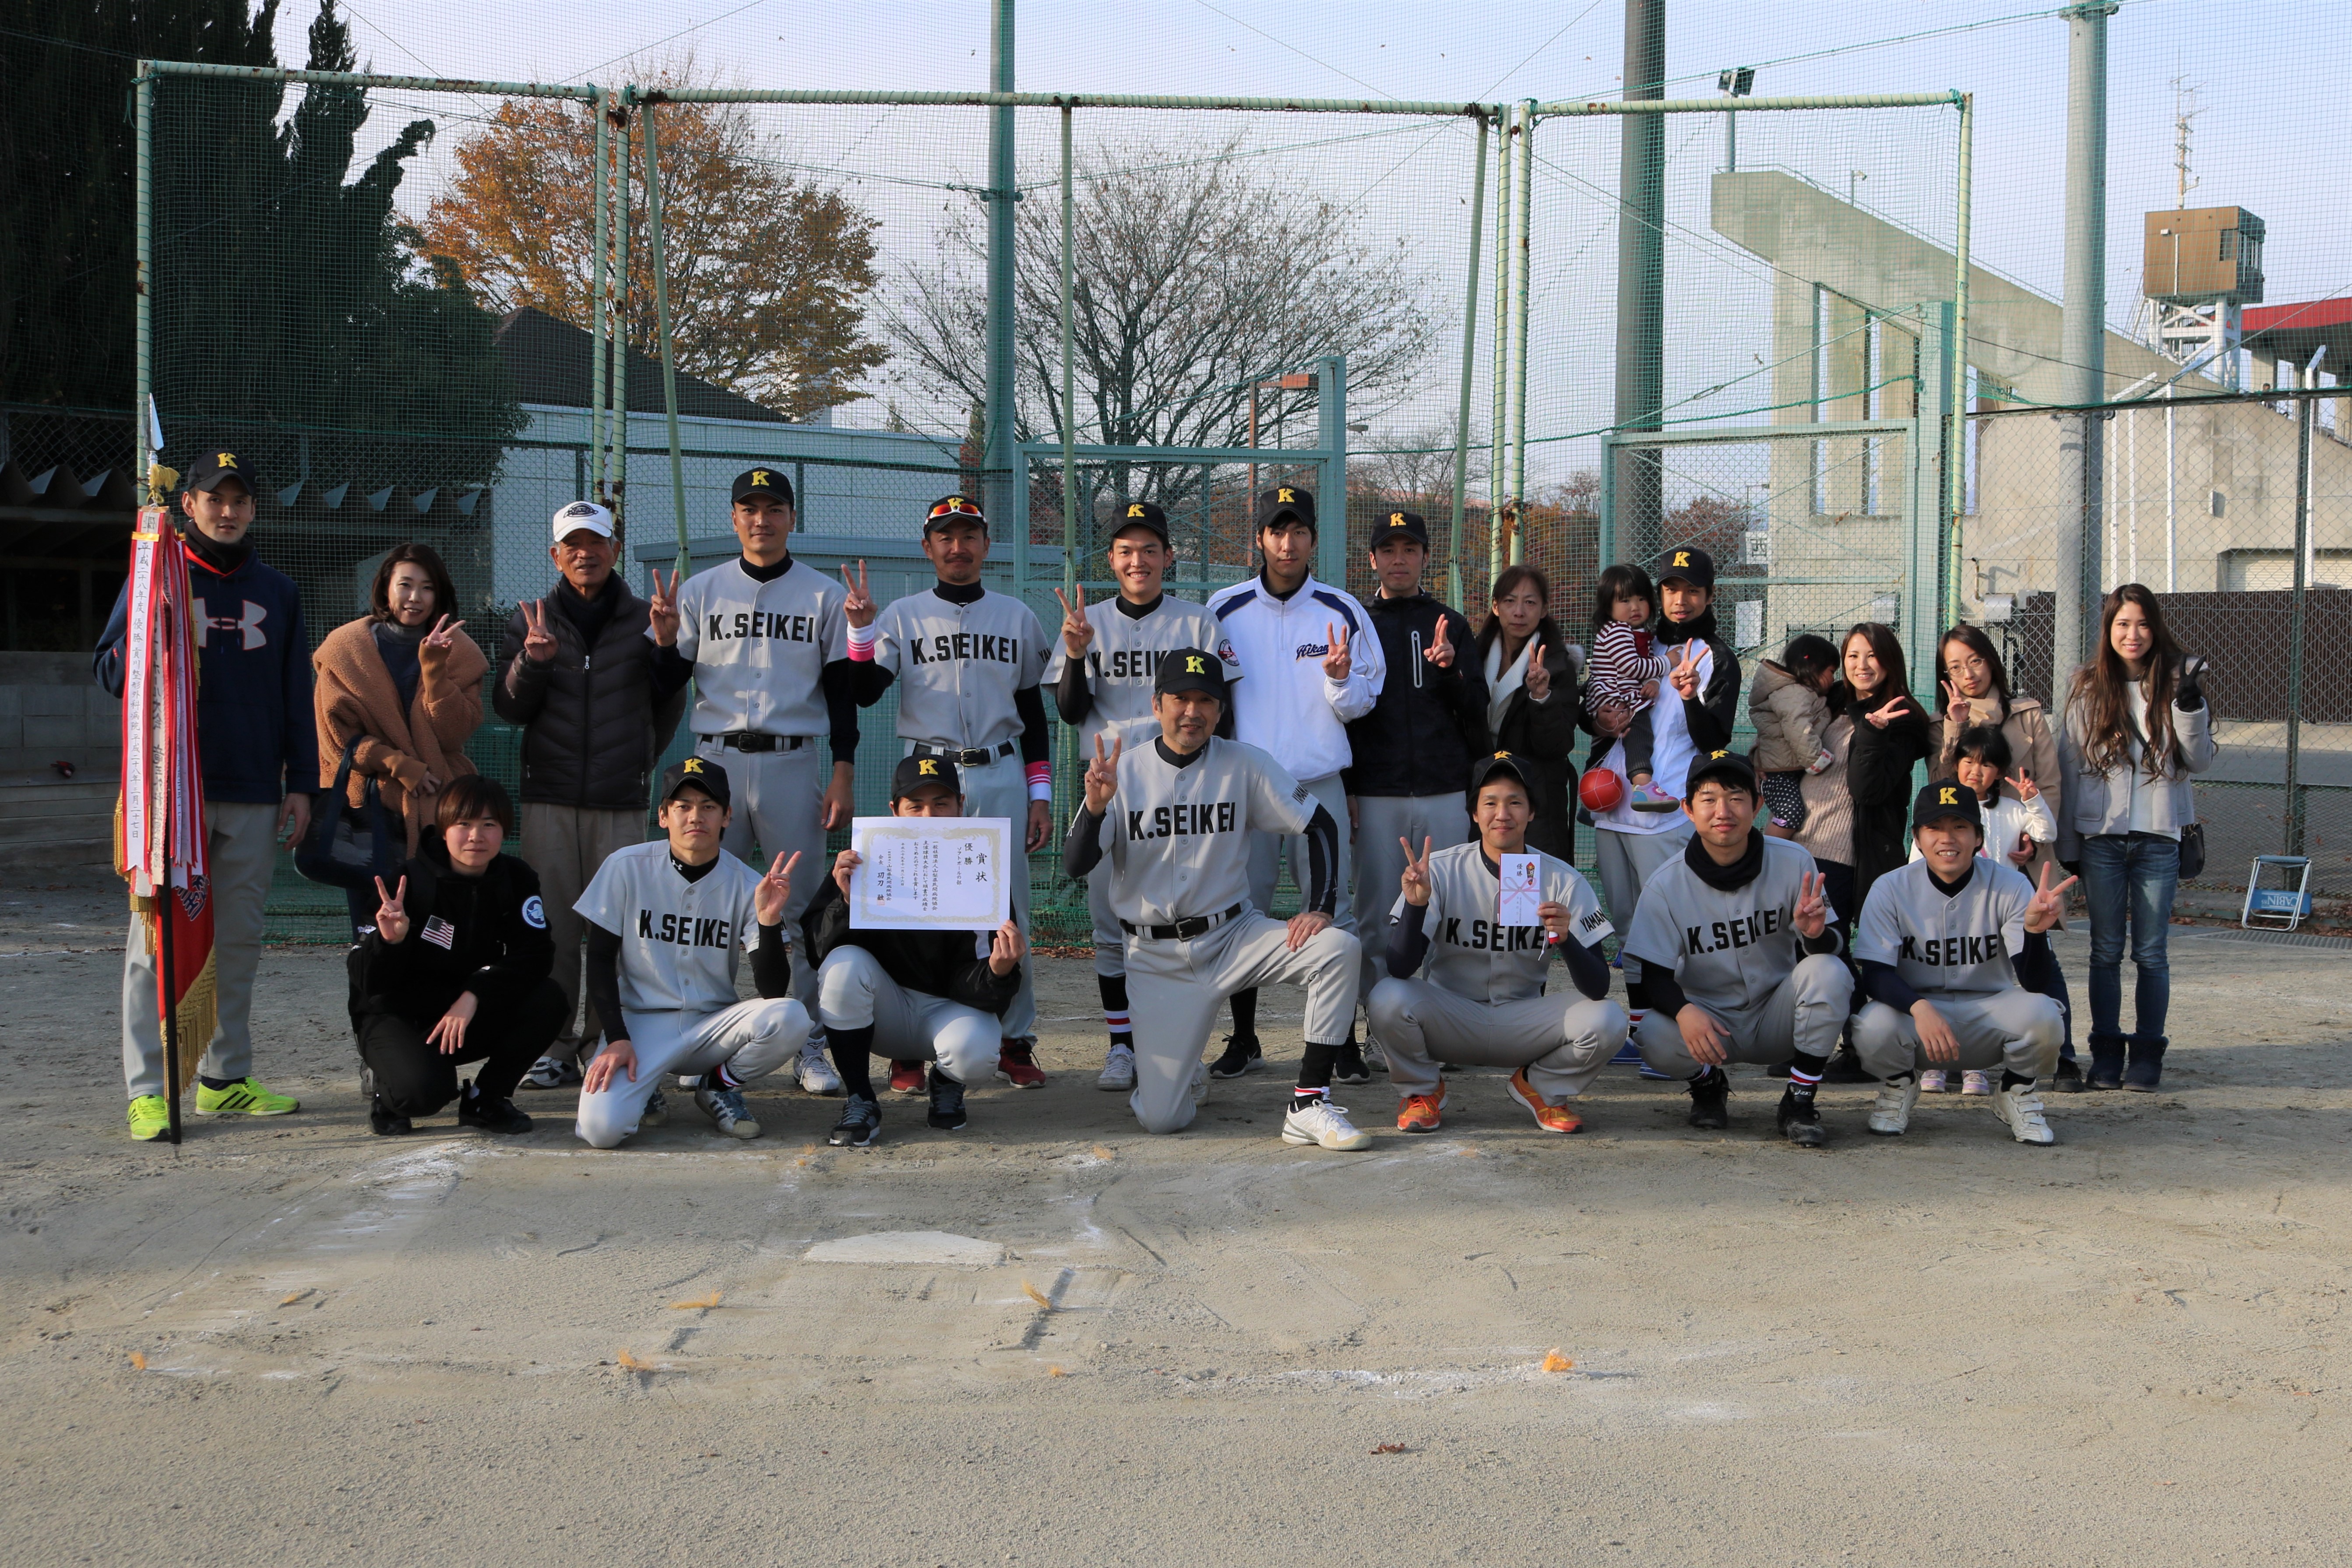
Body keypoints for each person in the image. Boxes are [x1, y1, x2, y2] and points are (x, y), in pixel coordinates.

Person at [1063, 648, 1368, 1149]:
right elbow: (1076, 864)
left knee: (1337, 948)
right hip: (1155, 959)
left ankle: (1308, 1101)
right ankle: (1181, 1074)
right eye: (1180, 698)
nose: (1192, 711)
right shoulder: (1125, 770)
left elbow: (1320, 822)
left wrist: (1323, 906)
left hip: (1234, 937)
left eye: (1205, 699)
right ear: (1156, 703)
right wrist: (1095, 808)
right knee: (1162, 1119)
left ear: (1220, 710)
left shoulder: (1244, 763)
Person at [95, 451, 317, 1140]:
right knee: (155, 942)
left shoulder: (278, 591)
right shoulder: (155, 574)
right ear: (187, 504)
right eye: (213, 499)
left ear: (253, 509)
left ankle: (224, 1079)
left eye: (240, 500)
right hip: (172, 800)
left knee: (241, 941)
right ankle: (149, 1089)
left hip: (253, 792)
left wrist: (303, 784)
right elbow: (108, 671)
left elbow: (295, 698)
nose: (227, 511)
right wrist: (149, 634)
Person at [648, 466, 857, 1098]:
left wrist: (843, 768)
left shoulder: (822, 596)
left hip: (795, 760)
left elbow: (843, 694)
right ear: (734, 517)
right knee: (702, 902)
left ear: (792, 518)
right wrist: (661, 646)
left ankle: (808, 1043)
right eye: (749, 508)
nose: (761, 519)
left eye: (773, 508)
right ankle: (699, 1038)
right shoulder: (700, 591)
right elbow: (663, 688)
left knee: (795, 909)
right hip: (714, 764)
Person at [852, 493, 1054, 1089]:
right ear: (929, 547)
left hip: (998, 771)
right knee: (913, 909)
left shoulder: (1017, 615)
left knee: (1010, 909)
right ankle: (910, 1047)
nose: (958, 546)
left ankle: (1016, 1038)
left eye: (969, 535)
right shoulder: (902, 614)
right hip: (927, 776)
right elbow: (864, 691)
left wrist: (1039, 794)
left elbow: (1033, 714)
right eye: (946, 536)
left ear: (986, 546)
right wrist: (861, 630)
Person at [1045, 499, 1243, 1094]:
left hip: (1182, 785)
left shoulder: (1199, 622)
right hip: (1110, 786)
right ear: (1112, 559)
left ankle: (1181, 1043)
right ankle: (1121, 1046)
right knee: (1110, 925)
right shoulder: (1088, 620)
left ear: (1167, 556)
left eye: (1149, 549)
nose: (1138, 560)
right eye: (1127, 550)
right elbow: (1070, 710)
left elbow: (1223, 712)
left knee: (1185, 917)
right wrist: (1077, 655)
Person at [496, 500, 691, 1092]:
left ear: (615, 548)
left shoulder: (646, 617)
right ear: (555, 555)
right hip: (550, 798)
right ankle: (554, 1046)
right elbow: (508, 708)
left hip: (620, 803)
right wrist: (532, 664)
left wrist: (664, 645)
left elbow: (667, 703)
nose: (586, 553)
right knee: (553, 930)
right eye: (572, 544)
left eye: (597, 541)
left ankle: (605, 1040)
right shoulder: (529, 618)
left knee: (619, 934)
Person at [1204, 487, 1385, 1083]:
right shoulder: (1223, 609)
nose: (1288, 543)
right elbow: (1208, 699)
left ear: (1313, 539)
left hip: (1317, 783)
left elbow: (1365, 698)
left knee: (1334, 912)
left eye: (1299, 531)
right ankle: (1246, 1036)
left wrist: (1337, 680)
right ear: (1259, 537)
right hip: (1247, 786)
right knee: (1242, 910)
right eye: (1277, 531)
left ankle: (1344, 1043)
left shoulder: (1341, 609)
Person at [1367, 753, 1627, 1135]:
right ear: (1474, 813)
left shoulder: (1562, 879)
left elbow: (1597, 987)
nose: (1502, 813)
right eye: (1490, 802)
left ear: (1532, 813)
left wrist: (1566, 939)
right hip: (1450, 1019)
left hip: (1522, 1022)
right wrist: (1416, 906)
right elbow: (1400, 966)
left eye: (1515, 802)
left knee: (1609, 1018)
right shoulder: (1440, 869)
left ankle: (1540, 1086)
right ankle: (1422, 1091)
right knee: (1387, 996)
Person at [572, 758, 810, 1148]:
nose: (695, 816)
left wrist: (768, 920)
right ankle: (645, 1085)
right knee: (602, 1131)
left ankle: (718, 1086)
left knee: (792, 1015)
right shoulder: (625, 867)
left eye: (708, 806)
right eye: (683, 806)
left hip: (712, 1027)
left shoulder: (748, 883)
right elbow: (598, 960)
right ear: (663, 815)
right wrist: (616, 1037)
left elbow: (772, 990)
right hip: (640, 1026)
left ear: (727, 817)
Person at [1625, 751, 1852, 1146]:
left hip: (1778, 1017)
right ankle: (1708, 1085)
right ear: (1688, 810)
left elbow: (1834, 944)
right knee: (1649, 1031)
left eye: (1736, 796)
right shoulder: (1666, 883)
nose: (1723, 810)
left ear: (1758, 805)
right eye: (1708, 798)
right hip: (1711, 1025)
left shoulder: (1795, 859)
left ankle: (1799, 1100)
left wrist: (1814, 935)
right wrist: (1684, 1012)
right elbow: (1650, 975)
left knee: (1829, 971)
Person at [805, 755, 1026, 1147]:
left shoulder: (981, 866)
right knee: (842, 966)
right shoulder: (865, 860)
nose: (929, 815)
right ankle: (861, 1097)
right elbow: (818, 953)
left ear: (961, 805)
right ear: (894, 810)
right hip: (884, 1014)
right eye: (916, 805)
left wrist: (998, 970)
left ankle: (947, 1078)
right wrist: (844, 901)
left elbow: (987, 991)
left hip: (946, 1011)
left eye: (941, 803)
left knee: (976, 1054)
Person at [2056, 584, 2218, 1092]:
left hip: (2158, 837)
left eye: (2142, 624)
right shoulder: (2085, 685)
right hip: (2101, 837)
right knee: (2103, 951)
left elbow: (2200, 760)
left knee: (2150, 952)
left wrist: (2188, 707)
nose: (2132, 634)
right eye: (2122, 624)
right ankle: (2104, 1051)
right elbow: (2067, 763)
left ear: (2156, 628)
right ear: (2107, 630)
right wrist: (2067, 847)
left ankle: (2147, 1054)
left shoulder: (2179, 679)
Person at [1852, 781, 2074, 1145]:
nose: (1947, 838)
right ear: (1918, 838)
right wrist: (1919, 1007)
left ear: (1978, 836)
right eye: (1934, 827)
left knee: (2046, 1014)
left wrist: (2034, 933)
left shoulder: (2011, 885)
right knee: (1871, 1025)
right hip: (1918, 1017)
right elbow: (1875, 974)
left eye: (1960, 827)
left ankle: (2016, 1090)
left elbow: (2035, 982)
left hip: (1990, 1011)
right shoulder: (1890, 887)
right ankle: (1900, 1084)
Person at [1583, 546, 1740, 1047]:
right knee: (1626, 927)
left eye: (1691, 590)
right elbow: (1599, 705)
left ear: (1708, 595)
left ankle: (1673, 1030)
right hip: (1612, 806)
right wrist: (1596, 720)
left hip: (1667, 809)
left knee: (1670, 930)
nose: (1679, 599)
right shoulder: (1633, 641)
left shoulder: (1716, 654)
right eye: (1671, 589)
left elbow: (1715, 739)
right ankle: (1638, 1030)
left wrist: (1690, 692)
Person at [1344, 509, 1489, 1042]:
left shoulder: (1447, 620)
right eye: (1388, 549)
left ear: (1425, 557)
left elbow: (1477, 707)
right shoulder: (1355, 621)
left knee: (1446, 912)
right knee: (1378, 916)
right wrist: (1350, 786)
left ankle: (1443, 1026)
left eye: (1409, 549)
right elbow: (1345, 714)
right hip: (1377, 790)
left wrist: (1449, 667)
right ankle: (1383, 1028)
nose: (1398, 559)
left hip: (1443, 787)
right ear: (1373, 559)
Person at [348, 776, 563, 1137]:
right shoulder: (406, 883)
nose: (476, 836)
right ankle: (387, 1086)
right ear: (445, 829)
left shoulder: (516, 878)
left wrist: (475, 992)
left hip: (462, 1016)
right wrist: (389, 942)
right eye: (464, 824)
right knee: (423, 1094)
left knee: (549, 998)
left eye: (488, 825)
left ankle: (486, 1099)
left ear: (503, 831)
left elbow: (538, 953)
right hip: (400, 1017)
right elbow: (367, 982)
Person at [313, 543, 486, 934]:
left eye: (427, 588)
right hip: (369, 810)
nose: (415, 597)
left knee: (441, 934)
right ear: (385, 589)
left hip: (441, 812)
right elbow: (334, 737)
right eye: (405, 584)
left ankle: (440, 994)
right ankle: (370, 990)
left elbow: (454, 732)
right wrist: (397, 764)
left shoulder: (462, 654)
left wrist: (435, 673)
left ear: (440, 595)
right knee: (372, 933)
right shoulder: (344, 649)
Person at [1935, 621, 2078, 1089]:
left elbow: (2050, 781)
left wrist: (2035, 842)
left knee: (2036, 960)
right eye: (1954, 666)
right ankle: (1959, 1058)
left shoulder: (2026, 713)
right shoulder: (1946, 717)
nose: (1967, 673)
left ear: (1990, 660)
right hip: (1957, 870)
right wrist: (1954, 724)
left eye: (1973, 661)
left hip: (2018, 859)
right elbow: (1939, 788)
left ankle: (2063, 1054)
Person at [1792, 622, 1933, 1082]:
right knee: (1807, 949)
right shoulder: (1836, 707)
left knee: (1843, 954)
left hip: (1854, 853)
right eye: (1852, 655)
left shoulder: (1902, 717)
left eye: (1871, 655)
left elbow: (1867, 789)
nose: (1861, 665)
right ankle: (1810, 1044)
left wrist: (1871, 733)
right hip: (1808, 846)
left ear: (1890, 661)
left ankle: (1857, 1050)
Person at [1915, 725, 2061, 1096]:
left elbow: (2046, 833)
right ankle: (1935, 1063)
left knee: (1987, 987)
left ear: (1999, 772)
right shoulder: (1937, 809)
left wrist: (2033, 800)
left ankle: (1973, 1066)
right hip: (1946, 909)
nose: (1975, 771)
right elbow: (1918, 859)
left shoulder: (2011, 810)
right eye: (1967, 762)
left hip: (1998, 914)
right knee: (1942, 983)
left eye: (1985, 765)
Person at [1473, 565, 1584, 862]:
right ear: (1495, 606)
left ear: (1544, 609)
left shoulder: (1557, 667)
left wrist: (1540, 697)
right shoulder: (1474, 657)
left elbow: (1557, 745)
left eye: (1530, 602)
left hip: (1537, 801)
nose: (1519, 611)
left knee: (1531, 896)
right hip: (1484, 796)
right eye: (1510, 601)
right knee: (1481, 890)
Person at [1582, 564, 1677, 812]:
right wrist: (1668, 663)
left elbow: (1641, 669)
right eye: (1625, 600)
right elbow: (1631, 667)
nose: (1635, 607)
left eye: (1642, 598)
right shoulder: (1618, 630)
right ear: (1608, 606)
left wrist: (1653, 681)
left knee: (1605, 746)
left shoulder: (1636, 632)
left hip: (1613, 695)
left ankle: (1590, 799)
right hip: (1613, 696)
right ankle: (1644, 785)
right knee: (1639, 730)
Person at [1747, 633, 1839, 837]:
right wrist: (1816, 759)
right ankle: (1766, 853)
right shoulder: (1794, 693)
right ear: (1814, 668)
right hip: (1779, 772)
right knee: (1790, 814)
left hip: (1783, 768)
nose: (1834, 678)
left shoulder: (1800, 693)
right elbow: (1797, 727)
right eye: (1832, 671)